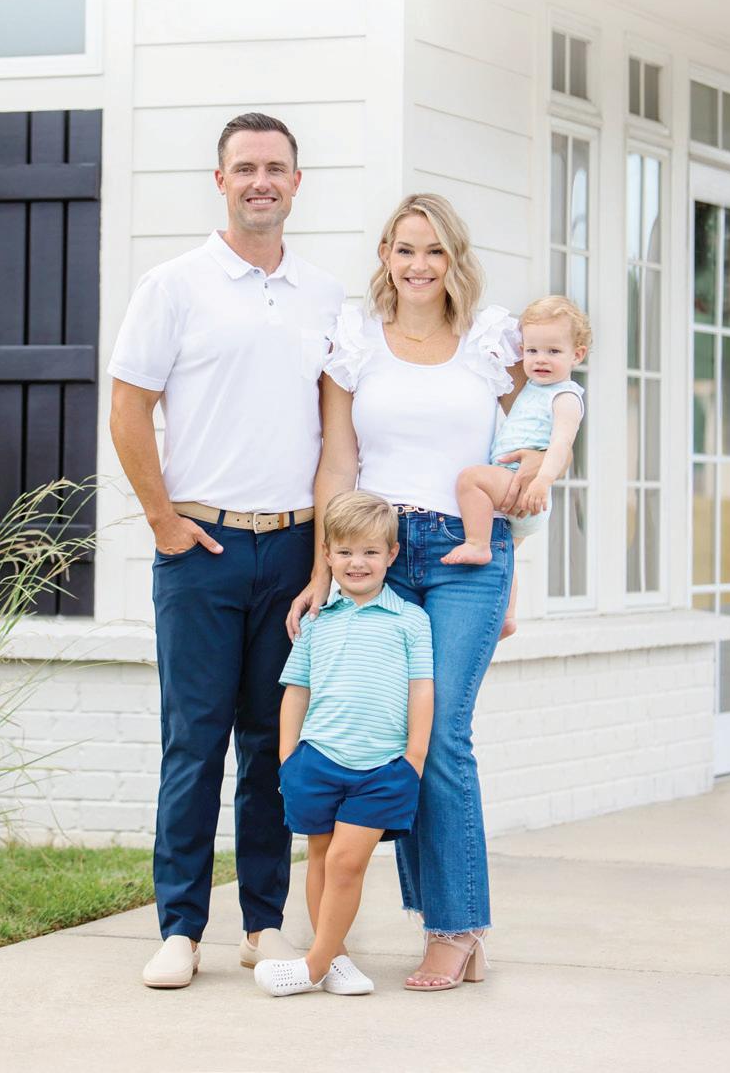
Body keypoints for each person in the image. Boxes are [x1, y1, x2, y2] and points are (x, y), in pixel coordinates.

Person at [288, 193, 561, 992]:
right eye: (404, 248)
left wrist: (513, 568)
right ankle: (444, 921)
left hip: (466, 555)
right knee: (390, 736)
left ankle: (456, 927)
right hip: (379, 551)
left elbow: (523, 454)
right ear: (384, 254)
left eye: (434, 250)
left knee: (440, 736)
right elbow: (338, 463)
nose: (418, 265)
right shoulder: (356, 342)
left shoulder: (491, 343)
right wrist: (321, 569)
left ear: (453, 258)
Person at [108, 112, 344, 990]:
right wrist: (163, 521)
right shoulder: (173, 285)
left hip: (291, 548)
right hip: (200, 547)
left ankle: (262, 924)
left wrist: (324, 555)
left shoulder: (325, 296)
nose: (260, 181)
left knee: (273, 745)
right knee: (193, 742)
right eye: (244, 167)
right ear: (220, 180)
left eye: (275, 167)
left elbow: (337, 433)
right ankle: (179, 928)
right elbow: (127, 408)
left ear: (296, 181)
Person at [254, 490, 434, 998]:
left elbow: (422, 690)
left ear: (391, 555)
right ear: (328, 555)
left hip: (383, 766)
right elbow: (296, 691)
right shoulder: (318, 621)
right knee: (319, 858)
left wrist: (414, 759)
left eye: (371, 552)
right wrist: (288, 759)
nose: (358, 562)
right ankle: (335, 959)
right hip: (317, 760)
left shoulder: (410, 620)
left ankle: (311, 966)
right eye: (347, 551)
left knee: (346, 862)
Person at [441, 295, 590, 566]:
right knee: (507, 564)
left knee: (470, 479)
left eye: (553, 351)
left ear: (577, 355)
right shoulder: (535, 387)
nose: (541, 359)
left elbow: (561, 444)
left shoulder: (565, 397)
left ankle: (477, 544)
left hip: (524, 485)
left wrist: (543, 481)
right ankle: (503, 590)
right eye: (532, 351)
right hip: (511, 481)